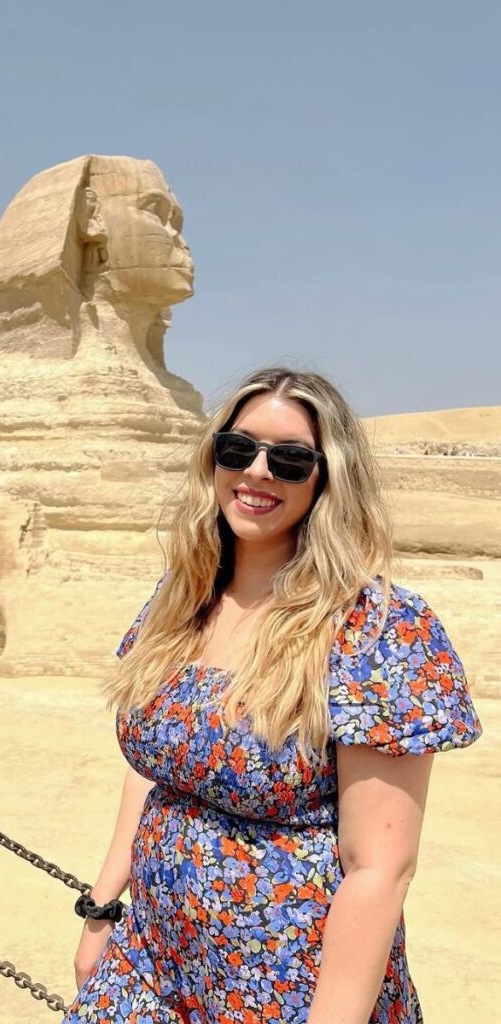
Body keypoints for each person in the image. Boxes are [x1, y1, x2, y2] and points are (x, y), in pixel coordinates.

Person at [65, 366, 483, 1024]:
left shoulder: (373, 630)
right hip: (149, 962)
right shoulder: (181, 599)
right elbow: (160, 767)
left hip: (288, 987)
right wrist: (101, 909)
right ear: (213, 460)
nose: (257, 472)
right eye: (238, 450)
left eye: (288, 460)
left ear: (326, 479)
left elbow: (377, 869)